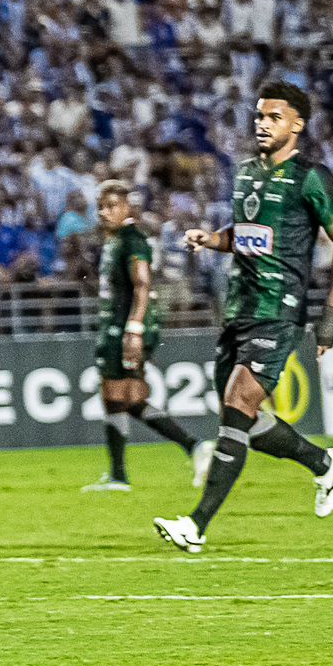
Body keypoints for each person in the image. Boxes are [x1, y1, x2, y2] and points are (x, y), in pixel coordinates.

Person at [156, 82, 333, 553]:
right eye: (259, 116)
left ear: (297, 124)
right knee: (240, 416)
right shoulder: (246, 173)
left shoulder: (311, 176)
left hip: (279, 310)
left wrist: (330, 316)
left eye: (274, 117)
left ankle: (196, 525)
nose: (263, 124)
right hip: (239, 308)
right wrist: (212, 239)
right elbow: (248, 233)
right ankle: (323, 463)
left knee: (239, 401)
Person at [81, 179, 214, 493]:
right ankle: (186, 450)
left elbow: (142, 286)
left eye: (112, 205)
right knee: (127, 399)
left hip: (125, 328)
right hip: (118, 324)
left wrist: (134, 328)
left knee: (116, 396)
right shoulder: (115, 241)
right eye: (101, 206)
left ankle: (126, 472)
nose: (104, 212)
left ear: (127, 207)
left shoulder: (133, 240)